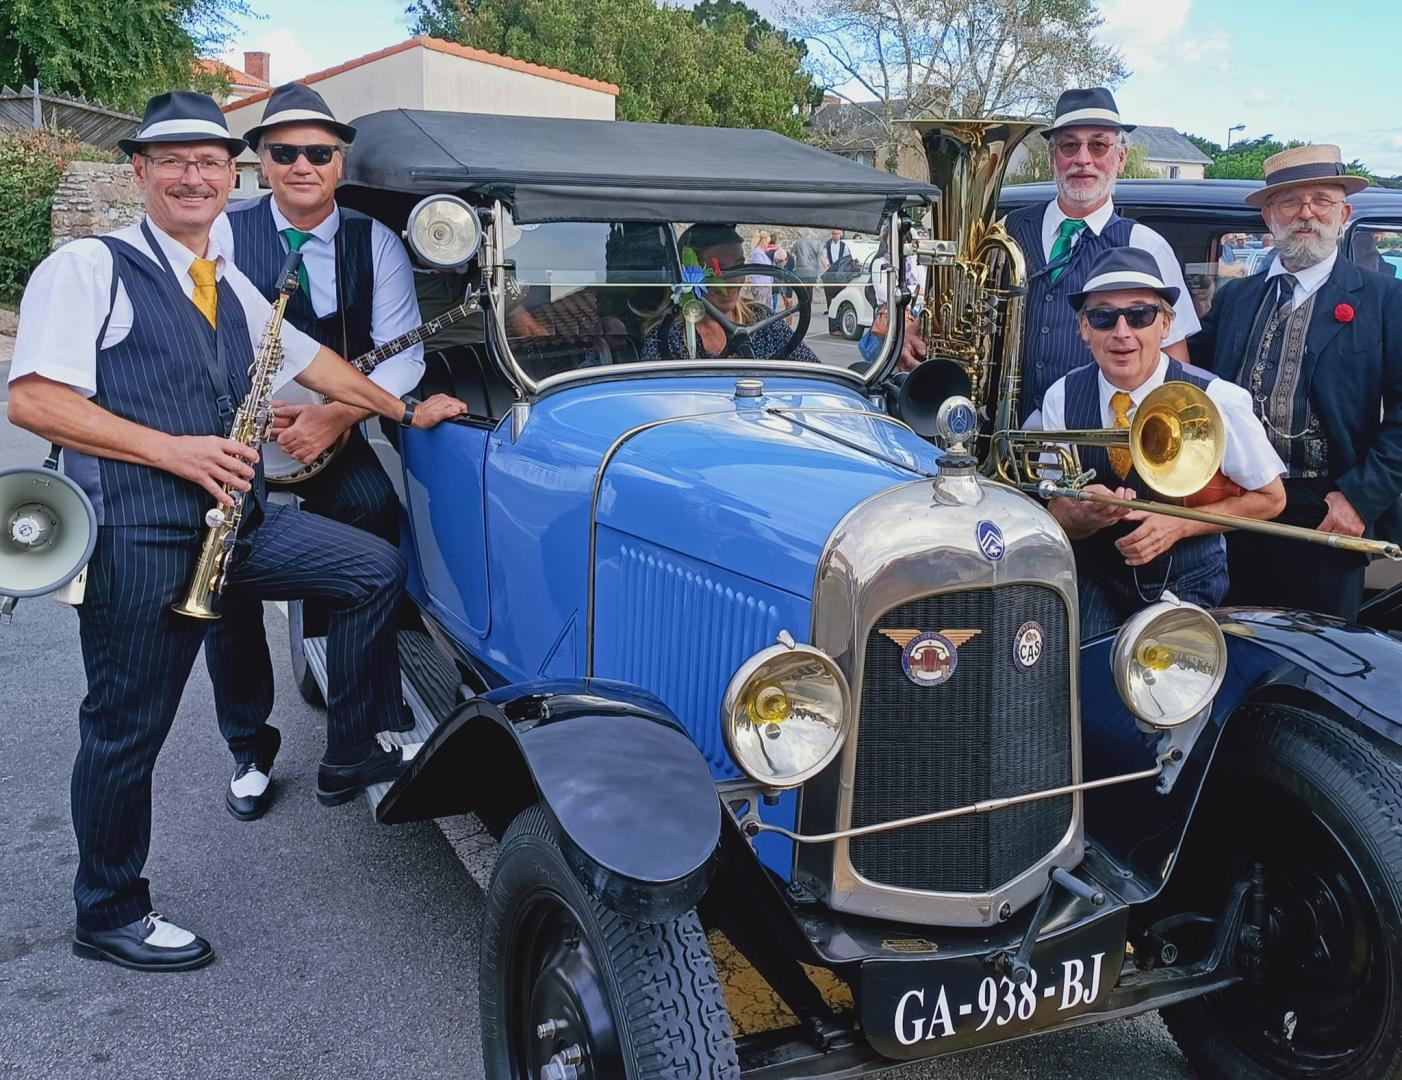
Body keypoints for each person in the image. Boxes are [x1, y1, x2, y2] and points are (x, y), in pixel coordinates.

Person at [5, 91, 467, 971]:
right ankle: (108, 910)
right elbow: (34, 400)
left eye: (210, 163)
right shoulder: (88, 268)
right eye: (173, 161)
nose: (193, 176)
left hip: (235, 528)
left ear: (229, 176)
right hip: (139, 537)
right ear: (139, 171)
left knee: (370, 566)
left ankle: (350, 753)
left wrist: (402, 410)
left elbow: (312, 362)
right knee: (125, 729)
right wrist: (172, 451)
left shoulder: (224, 270)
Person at [208, 83, 427, 821]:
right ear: (262, 164)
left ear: (339, 162)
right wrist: (261, 421)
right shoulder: (221, 238)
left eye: (319, 151)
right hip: (238, 444)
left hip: (329, 436)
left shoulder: (377, 242)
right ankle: (248, 746)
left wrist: (331, 419)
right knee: (226, 584)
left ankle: (360, 729)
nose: (302, 164)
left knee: (376, 519)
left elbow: (404, 355)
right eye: (284, 151)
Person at [1190, 144, 1402, 620]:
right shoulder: (1237, 297)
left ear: (1343, 213)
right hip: (1235, 504)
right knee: (1229, 644)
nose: (1306, 213)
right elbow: (1189, 379)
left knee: (1312, 665)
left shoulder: (1386, 300)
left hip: (1326, 511)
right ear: (1270, 216)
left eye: (1321, 200)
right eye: (1290, 201)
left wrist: (1360, 498)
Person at [1030, 248, 1285, 637]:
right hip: (1094, 583)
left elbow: (1271, 498)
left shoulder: (1217, 399)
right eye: (1102, 317)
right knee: (1083, 685)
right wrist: (1079, 516)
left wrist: (1178, 525)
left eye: (1139, 315)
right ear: (1083, 328)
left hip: (1186, 584)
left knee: (1167, 691)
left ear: (1165, 324)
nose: (1121, 333)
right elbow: (1056, 509)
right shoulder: (1060, 397)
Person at [1003, 88, 1200, 421]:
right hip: (1000, 436)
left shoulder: (1146, 245)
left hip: (1094, 444)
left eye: (1098, 145)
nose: (1083, 159)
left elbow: (1174, 363)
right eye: (1069, 145)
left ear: (1120, 159)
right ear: (1053, 159)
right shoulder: (1008, 228)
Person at [640, 223, 818, 362]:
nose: (734, 281)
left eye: (739, 268)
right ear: (690, 274)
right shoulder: (668, 337)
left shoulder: (762, 319)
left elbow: (813, 372)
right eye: (720, 270)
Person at [791, 229, 826, 312]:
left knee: (802, 289)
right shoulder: (817, 244)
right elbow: (821, 257)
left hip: (800, 271)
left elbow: (792, 255)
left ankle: (802, 305)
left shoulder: (797, 243)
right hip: (812, 271)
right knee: (809, 289)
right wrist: (827, 267)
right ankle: (808, 306)